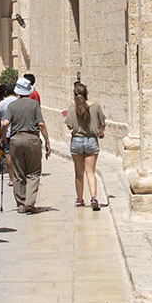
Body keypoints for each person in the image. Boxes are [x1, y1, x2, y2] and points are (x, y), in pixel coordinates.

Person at [1, 77, 51, 213]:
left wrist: (3, 138)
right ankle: (30, 202)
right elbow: (41, 124)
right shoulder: (34, 105)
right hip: (32, 139)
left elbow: (5, 123)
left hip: (16, 139)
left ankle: (21, 204)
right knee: (33, 172)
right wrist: (47, 141)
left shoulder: (12, 106)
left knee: (18, 173)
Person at [66, 82, 106, 210]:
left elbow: (69, 126)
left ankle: (79, 199)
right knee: (91, 172)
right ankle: (93, 198)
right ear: (86, 93)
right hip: (91, 140)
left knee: (79, 173)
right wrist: (101, 133)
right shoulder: (96, 106)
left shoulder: (72, 108)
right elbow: (102, 123)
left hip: (77, 141)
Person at [0, 81, 17, 188]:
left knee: (8, 154)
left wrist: (0, 132)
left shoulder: (2, 103)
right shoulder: (19, 101)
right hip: (18, 132)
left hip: (7, 132)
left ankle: (11, 179)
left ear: (6, 92)